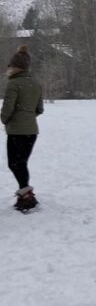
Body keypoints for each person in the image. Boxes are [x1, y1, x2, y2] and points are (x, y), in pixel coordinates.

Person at [1, 46, 43, 212]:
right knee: (21, 163)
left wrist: (5, 120)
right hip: (32, 131)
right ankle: (25, 194)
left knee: (14, 163)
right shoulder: (36, 84)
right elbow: (39, 109)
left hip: (17, 131)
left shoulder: (14, 84)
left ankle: (26, 196)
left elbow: (7, 109)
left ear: (15, 67)